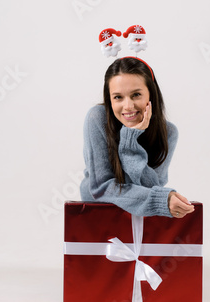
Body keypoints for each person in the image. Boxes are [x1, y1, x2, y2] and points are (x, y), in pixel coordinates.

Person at [80, 57, 194, 218]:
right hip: (99, 219)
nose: (128, 106)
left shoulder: (168, 132)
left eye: (136, 95)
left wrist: (130, 142)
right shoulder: (97, 119)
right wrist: (160, 199)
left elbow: (149, 187)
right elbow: (100, 188)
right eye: (118, 97)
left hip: (141, 224)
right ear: (110, 100)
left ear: (151, 95)